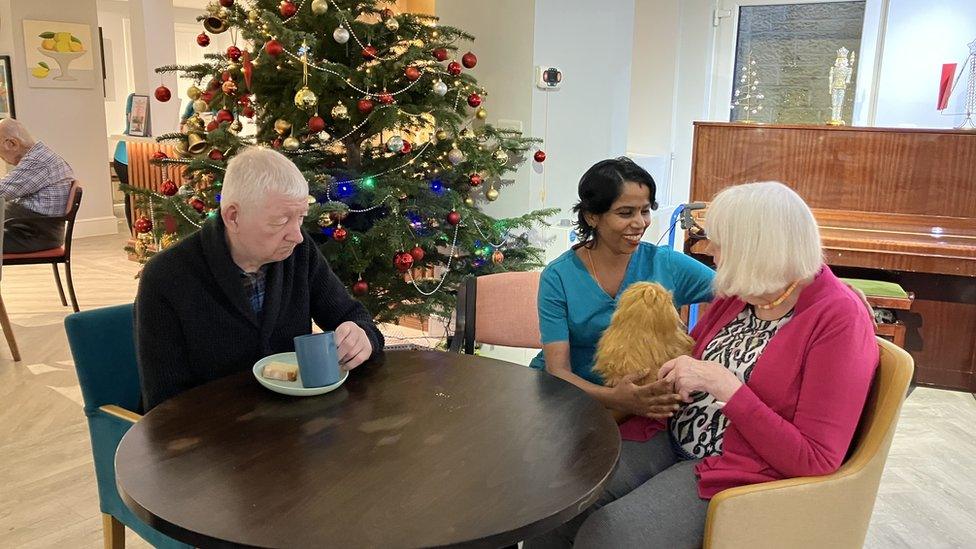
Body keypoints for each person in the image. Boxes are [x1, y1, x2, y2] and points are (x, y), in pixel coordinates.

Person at [536, 181, 879, 548]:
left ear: (756, 249)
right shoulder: (744, 293)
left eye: (719, 241)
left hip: (738, 466)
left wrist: (728, 388)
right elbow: (691, 358)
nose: (710, 250)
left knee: (610, 534)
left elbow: (815, 459)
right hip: (671, 433)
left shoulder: (837, 319)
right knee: (561, 499)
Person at [135, 146, 384, 410]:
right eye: (280, 221)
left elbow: (353, 316)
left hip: (294, 425)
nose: (297, 235)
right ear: (233, 217)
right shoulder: (167, 277)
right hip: (211, 437)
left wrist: (361, 336)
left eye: (299, 218)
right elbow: (165, 406)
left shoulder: (299, 253)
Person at [529, 157, 715, 419]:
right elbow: (557, 371)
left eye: (645, 210)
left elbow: (739, 290)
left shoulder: (666, 264)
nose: (639, 223)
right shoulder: (558, 276)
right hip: (566, 399)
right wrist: (617, 400)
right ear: (592, 216)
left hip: (641, 408)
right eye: (625, 213)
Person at [0, 118, 74, 253]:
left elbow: (2, 192)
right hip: (32, 230)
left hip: (34, 235)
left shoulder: (37, 162)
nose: (2, 158)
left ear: (12, 143)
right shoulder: (39, 156)